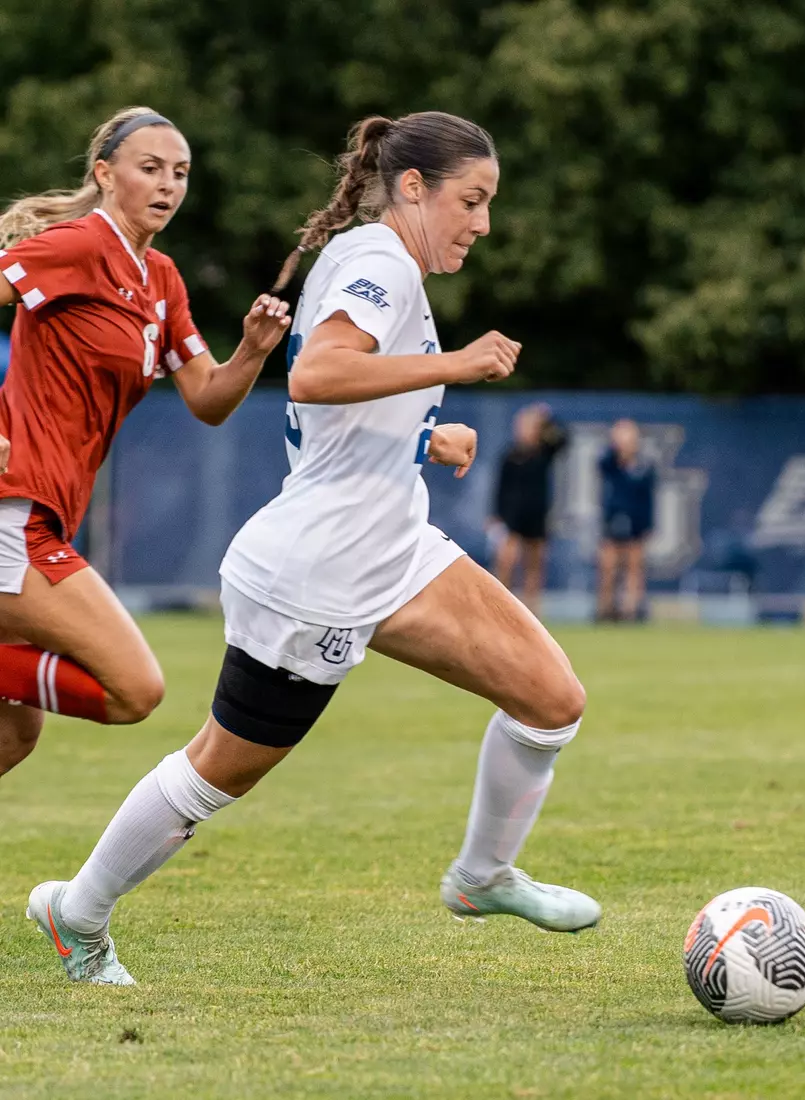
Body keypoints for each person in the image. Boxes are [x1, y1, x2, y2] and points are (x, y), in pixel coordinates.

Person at [27, 110, 600, 986]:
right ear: (414, 188)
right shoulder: (381, 262)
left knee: (551, 700)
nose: (483, 223)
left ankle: (483, 877)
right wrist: (457, 364)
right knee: (216, 774)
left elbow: (342, 417)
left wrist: (423, 437)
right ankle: (78, 912)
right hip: (320, 574)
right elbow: (319, 374)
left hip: (394, 546)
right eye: (472, 201)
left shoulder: (381, 260)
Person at [0, 106, 291, 777]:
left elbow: (208, 398)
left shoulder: (160, 277)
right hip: (15, 511)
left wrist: (252, 351)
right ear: (105, 174)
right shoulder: (78, 245)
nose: (168, 185)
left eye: (180, 173)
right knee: (133, 688)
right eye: (151, 168)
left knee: (13, 736)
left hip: (48, 516)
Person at [490, 402, 568, 616]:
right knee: (506, 560)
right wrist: (496, 514)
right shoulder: (511, 455)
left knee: (534, 564)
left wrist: (547, 419)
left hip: (537, 514)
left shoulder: (544, 452)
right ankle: (500, 606)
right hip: (513, 515)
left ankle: (532, 609)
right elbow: (500, 487)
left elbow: (563, 439)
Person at [595, 419, 656, 621]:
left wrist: (647, 524)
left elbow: (647, 498)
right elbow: (602, 465)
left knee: (634, 567)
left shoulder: (643, 466)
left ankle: (631, 609)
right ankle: (605, 609)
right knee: (608, 567)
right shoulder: (611, 462)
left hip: (636, 522)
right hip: (613, 519)